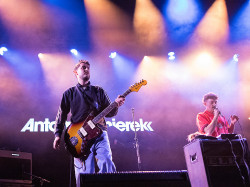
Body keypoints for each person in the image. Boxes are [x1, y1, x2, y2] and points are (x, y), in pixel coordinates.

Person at [53, 60, 125, 186]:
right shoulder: (69, 93)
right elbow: (61, 115)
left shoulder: (99, 91)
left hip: (99, 134)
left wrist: (116, 105)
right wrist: (58, 135)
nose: (87, 70)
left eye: (88, 68)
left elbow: (110, 113)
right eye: (83, 68)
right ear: (76, 72)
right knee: (84, 175)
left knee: (107, 162)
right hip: (79, 138)